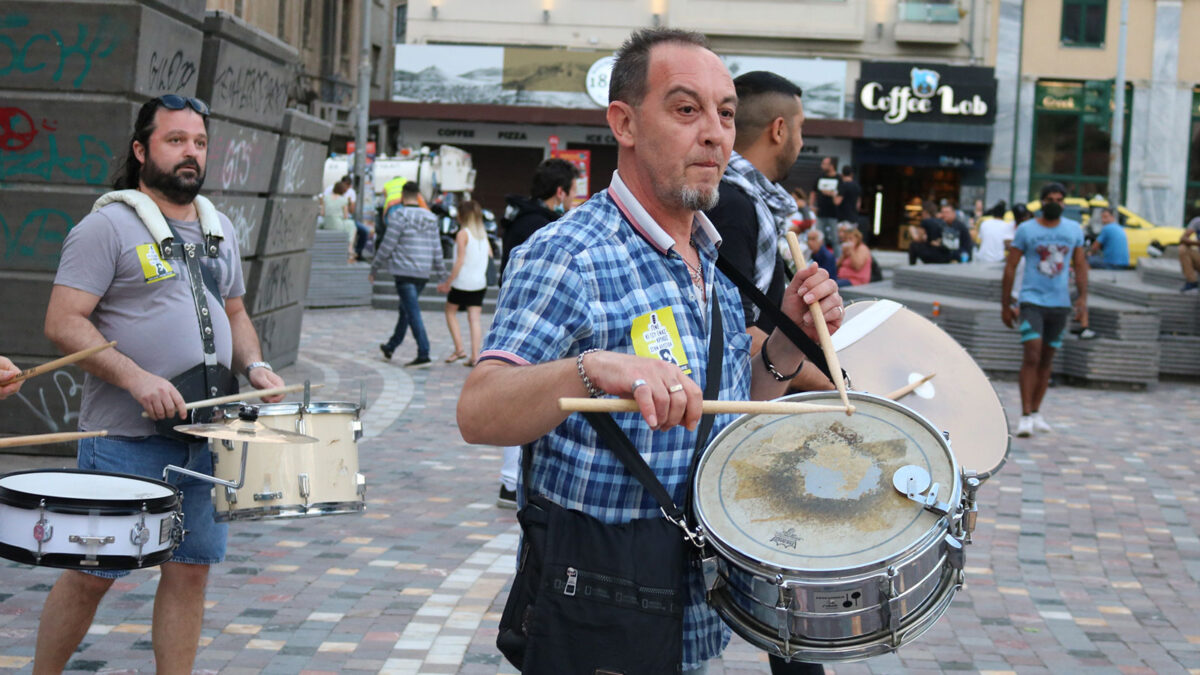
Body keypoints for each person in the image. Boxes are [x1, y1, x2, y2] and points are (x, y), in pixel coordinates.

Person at [458, 29, 845, 674]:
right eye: (687, 110)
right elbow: (479, 410)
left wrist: (783, 344)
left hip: (693, 606)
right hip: (597, 600)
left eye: (724, 114)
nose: (716, 134)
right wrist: (591, 369)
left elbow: (733, 412)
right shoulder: (570, 254)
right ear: (625, 123)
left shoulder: (713, 261)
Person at [33, 95, 286, 675]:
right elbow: (63, 321)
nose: (190, 153)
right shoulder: (107, 227)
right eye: (176, 141)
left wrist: (254, 367)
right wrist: (137, 377)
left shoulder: (219, 226)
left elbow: (237, 313)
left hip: (203, 437)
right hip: (124, 435)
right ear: (142, 150)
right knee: (94, 574)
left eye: (198, 142)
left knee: (192, 568)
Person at [495, 158, 580, 508]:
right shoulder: (541, 230)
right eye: (573, 193)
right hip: (530, 325)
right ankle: (510, 481)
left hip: (515, 317)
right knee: (522, 398)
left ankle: (510, 479)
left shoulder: (522, 218)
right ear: (559, 192)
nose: (574, 200)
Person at [1001, 182, 1088, 438]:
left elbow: (1081, 265)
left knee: (1048, 358)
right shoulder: (1027, 230)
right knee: (1032, 354)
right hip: (1032, 301)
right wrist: (1006, 304)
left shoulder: (1073, 230)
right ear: (1041, 203)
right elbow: (1010, 267)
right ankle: (1025, 414)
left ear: (1064, 203)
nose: (1054, 202)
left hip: (1060, 303)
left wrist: (1083, 299)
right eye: (1049, 198)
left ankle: (1037, 411)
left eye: (1059, 199)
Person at [370, 181, 445, 368]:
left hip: (404, 272)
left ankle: (424, 352)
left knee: (412, 312)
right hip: (422, 272)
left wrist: (375, 268)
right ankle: (391, 345)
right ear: (419, 196)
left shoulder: (399, 216)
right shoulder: (430, 218)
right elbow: (437, 248)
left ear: (402, 196)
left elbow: (387, 245)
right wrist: (442, 274)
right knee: (406, 310)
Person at [498, 157, 578, 282]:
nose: (574, 195)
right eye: (573, 190)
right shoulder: (543, 228)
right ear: (560, 192)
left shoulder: (523, 216)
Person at [436, 200, 491, 366]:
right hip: (479, 283)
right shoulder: (482, 234)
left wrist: (448, 282)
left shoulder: (463, 234)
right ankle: (475, 356)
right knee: (474, 318)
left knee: (450, 311)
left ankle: (459, 349)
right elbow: (489, 254)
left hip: (463, 283)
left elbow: (459, 261)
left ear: (462, 215)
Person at [320, 179, 355, 261]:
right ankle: (350, 248)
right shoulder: (343, 200)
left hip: (327, 224)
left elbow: (322, 213)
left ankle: (350, 249)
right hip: (337, 224)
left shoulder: (326, 198)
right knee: (352, 225)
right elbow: (346, 216)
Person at [813, 156, 840, 258]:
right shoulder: (820, 177)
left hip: (834, 214)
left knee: (834, 239)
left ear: (831, 165)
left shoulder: (838, 178)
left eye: (824, 164)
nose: (822, 166)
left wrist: (831, 194)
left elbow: (841, 195)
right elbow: (813, 192)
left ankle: (837, 261)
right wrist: (812, 206)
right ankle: (821, 259)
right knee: (820, 238)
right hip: (820, 212)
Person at [836, 222, 872, 287]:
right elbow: (837, 265)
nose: (848, 241)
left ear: (857, 238)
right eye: (846, 239)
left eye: (850, 238)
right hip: (843, 278)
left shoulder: (862, 248)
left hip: (856, 280)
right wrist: (844, 255)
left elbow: (857, 266)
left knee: (834, 285)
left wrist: (851, 251)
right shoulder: (848, 249)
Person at [834, 164, 861, 232]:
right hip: (853, 218)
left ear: (842, 174)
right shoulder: (857, 186)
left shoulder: (842, 186)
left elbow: (837, 202)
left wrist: (833, 195)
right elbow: (858, 204)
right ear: (852, 174)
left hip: (843, 219)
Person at [1181, 216, 1200, 294]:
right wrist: (1197, 243)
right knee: (1183, 249)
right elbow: (1183, 239)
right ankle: (1192, 282)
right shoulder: (1197, 221)